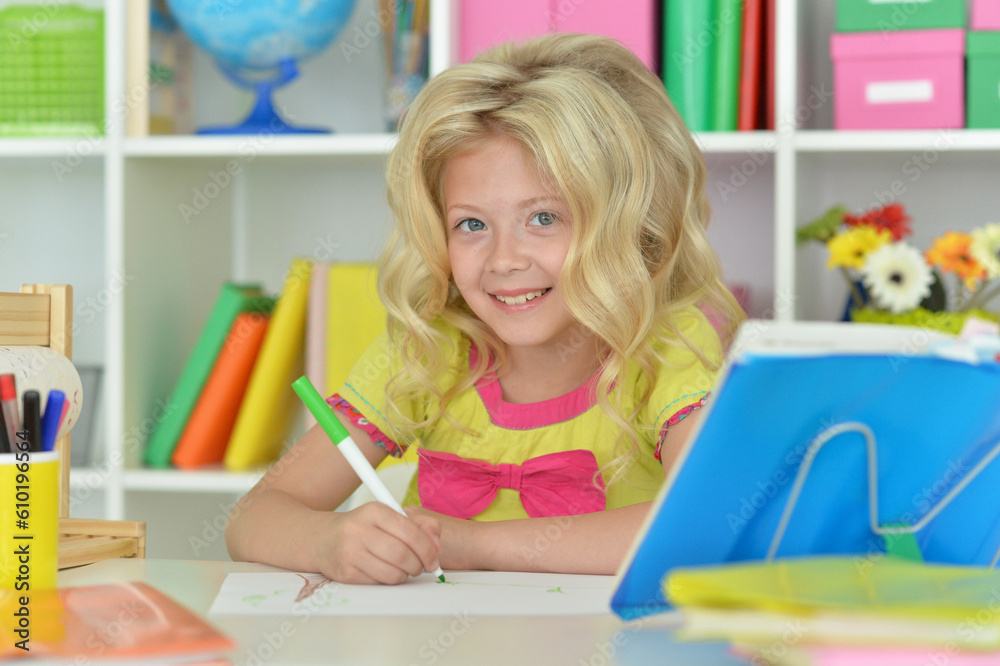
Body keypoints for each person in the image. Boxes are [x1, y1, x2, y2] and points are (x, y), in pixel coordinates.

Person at [226, 33, 743, 585]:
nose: (503, 260)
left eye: (543, 218)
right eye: (471, 224)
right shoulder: (431, 347)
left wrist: (474, 544)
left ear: (626, 221)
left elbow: (704, 530)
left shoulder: (669, 345)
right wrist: (328, 542)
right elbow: (251, 518)